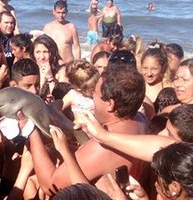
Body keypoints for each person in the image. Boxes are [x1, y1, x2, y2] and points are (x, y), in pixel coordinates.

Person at [28, 64, 148, 194]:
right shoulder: (141, 120)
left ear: (110, 104)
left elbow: (50, 186)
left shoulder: (102, 149)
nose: (92, 98)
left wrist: (31, 130)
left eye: (94, 94)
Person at [30, 34, 63, 100]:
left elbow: (60, 100)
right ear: (33, 54)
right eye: (38, 52)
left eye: (45, 52)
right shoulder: (30, 69)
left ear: (52, 52)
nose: (42, 57)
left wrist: (50, 77)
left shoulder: (61, 71)